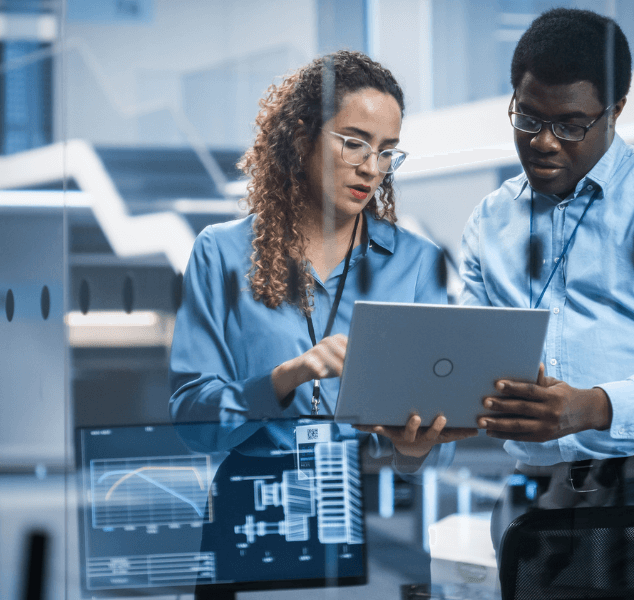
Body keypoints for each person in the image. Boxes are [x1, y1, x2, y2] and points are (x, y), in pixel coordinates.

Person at [461, 9, 634, 599]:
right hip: (536, 499)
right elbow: (465, 369)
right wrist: (427, 421)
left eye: (570, 125)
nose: (542, 141)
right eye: (528, 117)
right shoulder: (490, 221)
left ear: (614, 112)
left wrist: (594, 407)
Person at [169, 50, 473, 470]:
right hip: (251, 510)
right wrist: (285, 379)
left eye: (386, 152)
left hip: (362, 509)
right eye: (354, 144)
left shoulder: (418, 262)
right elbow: (192, 422)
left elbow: (438, 445)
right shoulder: (220, 253)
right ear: (301, 138)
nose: (371, 168)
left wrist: (416, 447)